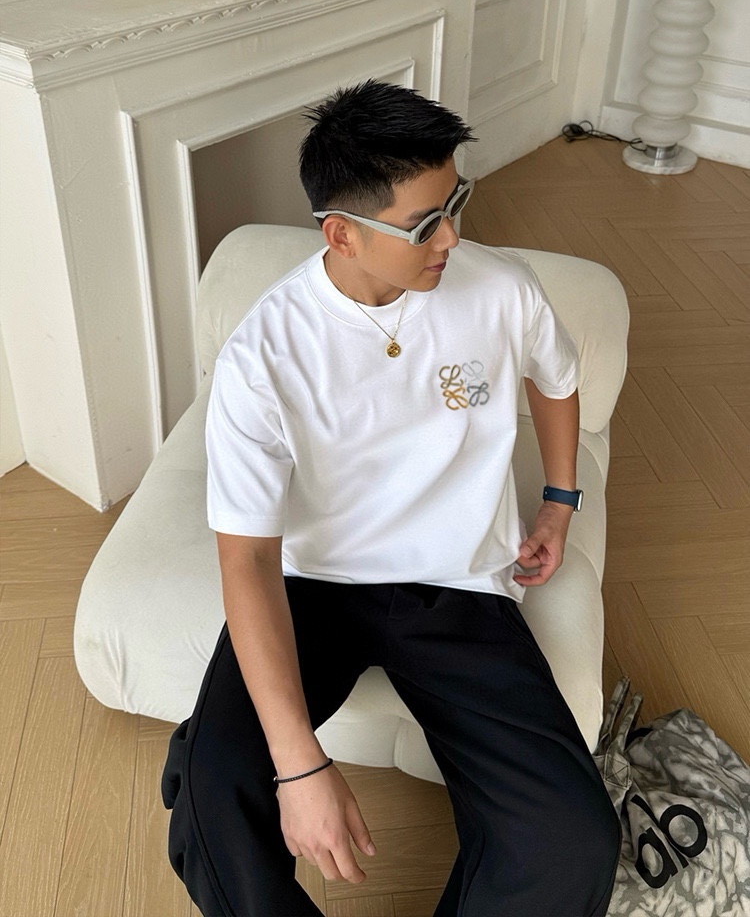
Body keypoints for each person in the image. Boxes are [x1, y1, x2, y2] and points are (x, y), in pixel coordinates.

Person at [162, 79, 621, 917]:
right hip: (312, 588)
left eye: (456, 203)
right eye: (424, 224)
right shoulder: (264, 356)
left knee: (574, 838)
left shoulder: (501, 288)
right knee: (212, 795)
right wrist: (300, 765)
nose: (453, 236)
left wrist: (560, 498)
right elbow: (249, 562)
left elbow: (556, 378)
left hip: (460, 587)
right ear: (341, 233)